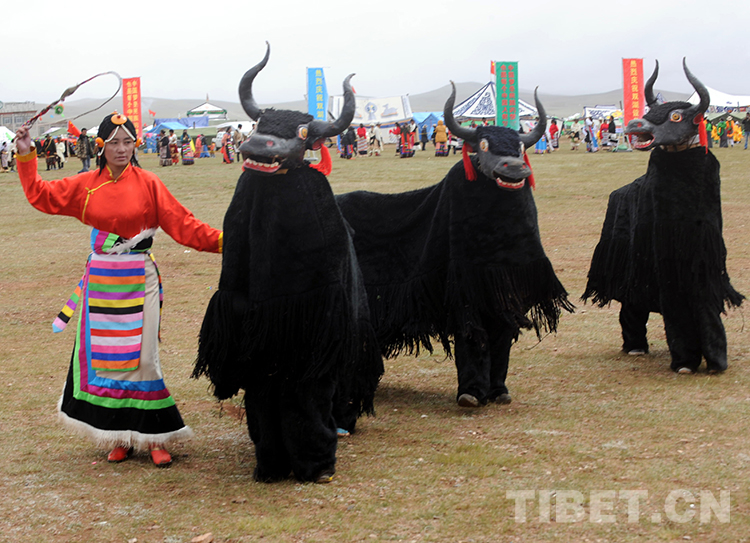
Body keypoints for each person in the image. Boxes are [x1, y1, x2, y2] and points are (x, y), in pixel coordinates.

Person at [14, 112, 222, 467]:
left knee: (144, 359)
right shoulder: (86, 184)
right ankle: (121, 436)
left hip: (140, 279)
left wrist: (229, 242)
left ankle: (154, 437)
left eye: (128, 142)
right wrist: (25, 153)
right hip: (102, 282)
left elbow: (184, 225)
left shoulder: (149, 183)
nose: (122, 149)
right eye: (114, 143)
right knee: (109, 362)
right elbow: (40, 195)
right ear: (101, 146)